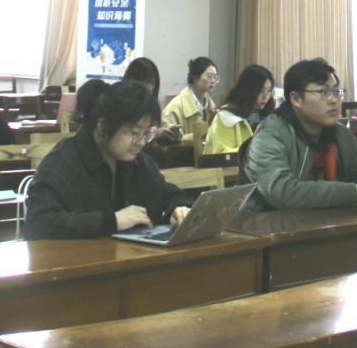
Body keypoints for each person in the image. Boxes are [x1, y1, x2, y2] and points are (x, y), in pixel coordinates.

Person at [25, 80, 191, 239]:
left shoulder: (139, 162)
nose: (141, 142)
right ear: (102, 126)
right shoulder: (63, 161)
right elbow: (39, 223)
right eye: (135, 133)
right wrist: (112, 221)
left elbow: (166, 193)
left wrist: (178, 208)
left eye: (146, 134)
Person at [239, 58, 357, 212]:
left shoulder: (339, 133)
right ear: (296, 99)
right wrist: (354, 193)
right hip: (266, 224)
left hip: (322, 222)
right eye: (323, 92)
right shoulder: (270, 135)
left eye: (336, 91)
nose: (334, 100)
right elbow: (282, 191)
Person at [203, 65, 275, 154]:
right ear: (248, 90)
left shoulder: (268, 117)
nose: (266, 96)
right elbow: (222, 154)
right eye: (261, 91)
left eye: (269, 91)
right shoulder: (225, 117)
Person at [123, 56, 182, 145]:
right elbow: (131, 136)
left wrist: (172, 131)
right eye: (144, 82)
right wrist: (156, 133)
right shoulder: (123, 103)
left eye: (151, 82)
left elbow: (164, 124)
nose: (148, 87)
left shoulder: (152, 106)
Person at [162, 56, 218, 142]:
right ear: (195, 77)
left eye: (215, 77)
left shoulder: (211, 105)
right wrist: (199, 136)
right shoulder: (175, 107)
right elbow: (170, 139)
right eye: (209, 76)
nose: (213, 81)